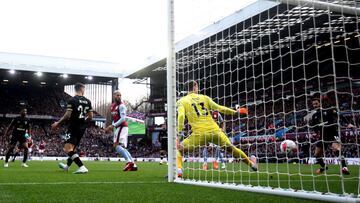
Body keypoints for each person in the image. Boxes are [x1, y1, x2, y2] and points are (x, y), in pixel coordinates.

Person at [176, 80, 257, 177]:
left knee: (179, 149)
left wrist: (179, 135)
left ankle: (179, 170)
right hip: (215, 131)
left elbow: (181, 116)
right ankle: (251, 164)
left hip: (199, 135)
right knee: (232, 149)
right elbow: (220, 108)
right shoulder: (205, 98)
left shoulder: (181, 101)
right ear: (195, 87)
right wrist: (235, 112)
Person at [51, 83, 93, 174]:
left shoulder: (72, 100)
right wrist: (83, 121)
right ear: (82, 89)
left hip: (73, 126)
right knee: (72, 149)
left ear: (76, 89)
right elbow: (90, 117)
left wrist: (58, 123)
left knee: (67, 149)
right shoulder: (88, 101)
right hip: (82, 128)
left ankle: (82, 167)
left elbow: (68, 115)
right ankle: (67, 166)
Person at [310, 97, 354, 175]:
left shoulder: (329, 110)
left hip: (333, 133)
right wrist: (315, 132)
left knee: (337, 149)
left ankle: (344, 167)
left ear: (320, 103)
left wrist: (348, 123)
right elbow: (315, 127)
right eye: (313, 104)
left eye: (316, 103)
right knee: (317, 155)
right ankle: (324, 167)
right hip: (323, 136)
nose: (315, 105)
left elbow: (339, 115)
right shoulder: (314, 116)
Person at [105, 90, 137, 171]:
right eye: (117, 95)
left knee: (116, 146)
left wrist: (113, 125)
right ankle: (133, 164)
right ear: (114, 96)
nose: (119, 96)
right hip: (118, 127)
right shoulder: (112, 106)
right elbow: (115, 119)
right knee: (121, 147)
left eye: (120, 95)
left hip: (122, 127)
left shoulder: (122, 106)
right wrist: (111, 126)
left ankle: (129, 162)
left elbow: (123, 118)